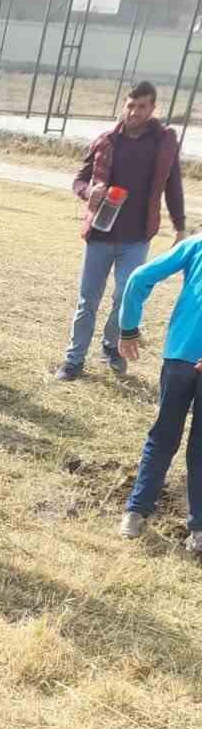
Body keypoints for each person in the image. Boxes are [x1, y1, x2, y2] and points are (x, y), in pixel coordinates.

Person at [56, 80, 185, 381]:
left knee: (125, 296)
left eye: (142, 106)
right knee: (88, 299)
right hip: (100, 235)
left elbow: (173, 185)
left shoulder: (163, 142)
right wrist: (90, 192)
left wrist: (180, 227)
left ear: (152, 108)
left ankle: (111, 346)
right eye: (131, 105)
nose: (135, 112)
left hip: (136, 238)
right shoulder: (105, 141)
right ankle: (73, 361)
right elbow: (79, 180)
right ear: (123, 105)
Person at [116, 234, 202, 551]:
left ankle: (135, 513)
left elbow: (139, 276)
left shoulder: (197, 243)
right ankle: (199, 531)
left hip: (180, 354)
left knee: (163, 437)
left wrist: (128, 329)